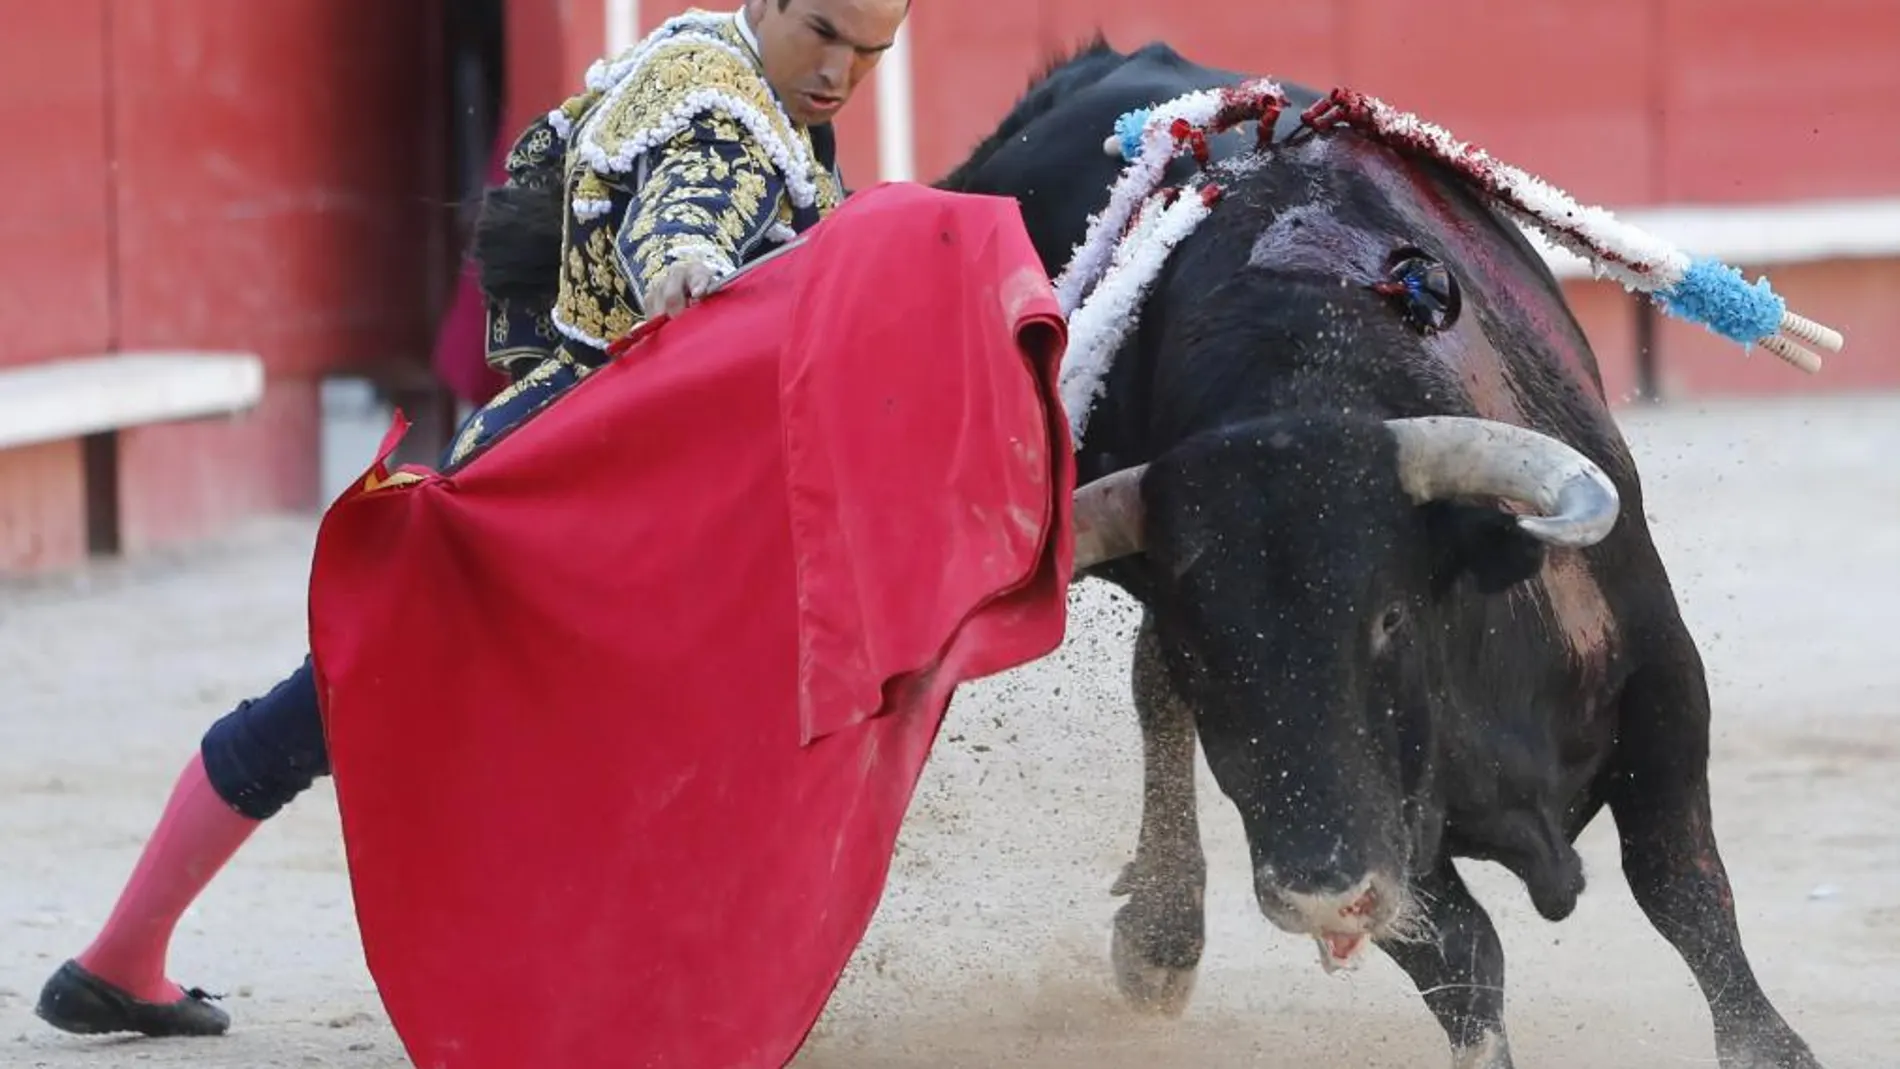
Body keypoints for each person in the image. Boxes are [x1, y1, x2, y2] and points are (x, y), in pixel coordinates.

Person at [35, 0, 909, 1039]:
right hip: (587, 499)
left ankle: (123, 951)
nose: (841, 72)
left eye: (871, 53)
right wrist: (683, 266)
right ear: (765, 0)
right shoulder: (725, 120)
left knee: (349, 694)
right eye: (825, 32)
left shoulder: (703, 57)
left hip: (549, 454)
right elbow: (685, 212)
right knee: (392, 704)